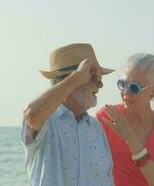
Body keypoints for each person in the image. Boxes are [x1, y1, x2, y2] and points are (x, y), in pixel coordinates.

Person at [21, 43, 115, 186]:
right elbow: (31, 115)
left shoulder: (96, 128)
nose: (100, 84)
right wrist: (77, 77)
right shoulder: (46, 121)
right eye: (94, 76)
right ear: (70, 79)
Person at [96, 53, 154, 186]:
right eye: (123, 84)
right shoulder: (106, 117)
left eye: (134, 87)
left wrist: (131, 139)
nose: (126, 92)